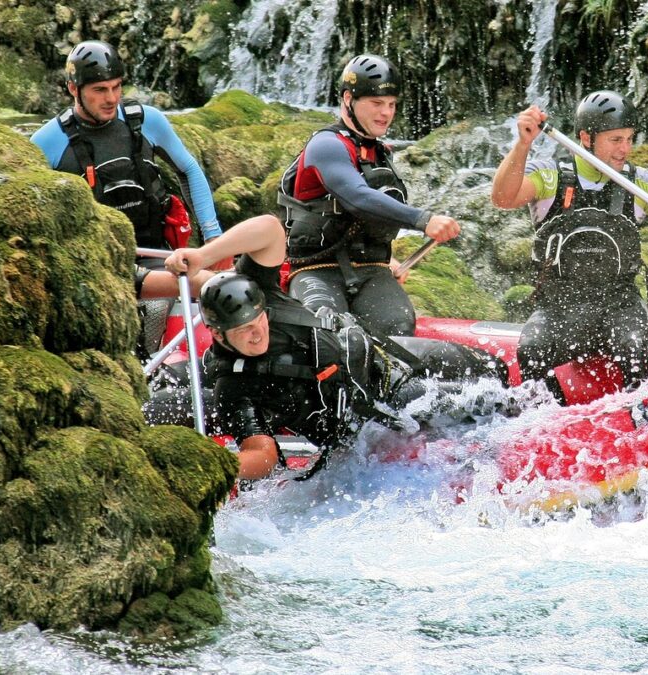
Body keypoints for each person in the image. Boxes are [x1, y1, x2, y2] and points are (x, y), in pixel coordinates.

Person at [164, 215, 503, 480]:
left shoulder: (261, 291)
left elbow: (268, 229)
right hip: (374, 410)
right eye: (243, 331)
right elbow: (263, 454)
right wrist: (216, 465)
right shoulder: (234, 385)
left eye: (259, 322)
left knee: (493, 369)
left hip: (381, 357)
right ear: (219, 336)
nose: (257, 334)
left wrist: (203, 255)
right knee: (491, 405)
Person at [491, 91, 648, 401]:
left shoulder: (640, 182)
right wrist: (523, 145)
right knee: (533, 350)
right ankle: (549, 422)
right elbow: (503, 198)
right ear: (586, 137)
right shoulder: (549, 175)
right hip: (560, 307)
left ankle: (640, 419)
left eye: (629, 139)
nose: (625, 149)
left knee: (632, 345)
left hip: (619, 306)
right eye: (616, 140)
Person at [277, 53, 461, 337]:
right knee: (328, 331)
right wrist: (423, 220)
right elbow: (357, 197)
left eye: (391, 105)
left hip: (371, 271)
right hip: (316, 271)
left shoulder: (379, 153)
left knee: (398, 328)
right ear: (348, 99)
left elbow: (369, 218)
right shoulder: (326, 145)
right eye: (376, 103)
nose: (386, 113)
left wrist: (388, 261)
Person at [30, 39, 227, 300]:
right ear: (73, 89)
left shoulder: (146, 120)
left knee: (226, 286)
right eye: (100, 89)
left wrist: (213, 237)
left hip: (160, 257)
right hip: (99, 268)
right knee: (206, 286)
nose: (111, 98)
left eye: (116, 87)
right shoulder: (47, 142)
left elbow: (188, 169)